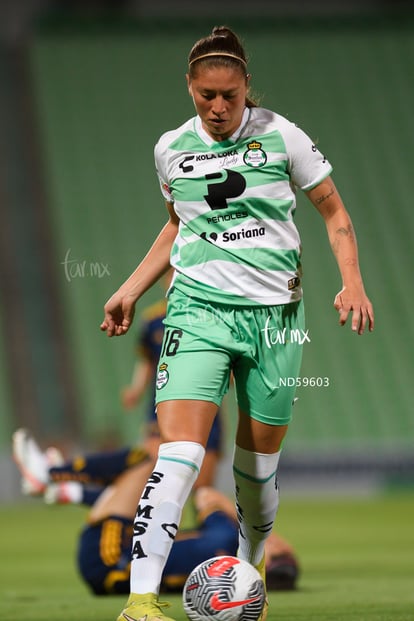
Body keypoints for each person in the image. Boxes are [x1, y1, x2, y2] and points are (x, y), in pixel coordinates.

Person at [100, 25, 374, 621]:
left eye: (230, 95)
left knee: (256, 470)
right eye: (206, 96)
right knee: (179, 451)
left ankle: (249, 579)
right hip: (197, 311)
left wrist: (351, 280)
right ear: (191, 89)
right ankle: (140, 601)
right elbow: (179, 224)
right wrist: (129, 289)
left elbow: (333, 209)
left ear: (247, 85)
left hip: (276, 319)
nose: (219, 108)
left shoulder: (282, 136)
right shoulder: (171, 148)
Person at [12, 428, 299, 594]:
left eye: (281, 550)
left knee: (147, 459)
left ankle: (50, 474)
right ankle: (63, 490)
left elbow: (206, 495)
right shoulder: (222, 567)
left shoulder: (225, 538)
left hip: (109, 558)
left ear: (268, 559)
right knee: (149, 501)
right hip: (108, 569)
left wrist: (257, 528)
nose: (282, 543)